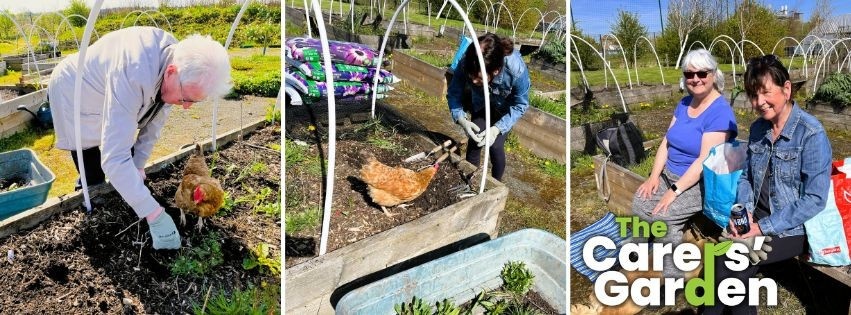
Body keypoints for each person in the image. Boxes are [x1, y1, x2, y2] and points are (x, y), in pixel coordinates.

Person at [48, 26, 232, 250]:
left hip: (107, 85)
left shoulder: (178, 62)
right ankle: (92, 200)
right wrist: (154, 214)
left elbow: (155, 122)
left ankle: (119, 188)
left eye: (194, 101)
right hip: (74, 88)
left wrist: (138, 164)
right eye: (186, 99)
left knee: (123, 160)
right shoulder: (133, 71)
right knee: (89, 151)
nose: (186, 107)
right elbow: (115, 157)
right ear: (171, 72)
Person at [704, 55, 832, 314]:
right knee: (720, 256)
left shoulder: (811, 134)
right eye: (753, 95)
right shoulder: (758, 129)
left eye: (765, 92)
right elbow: (746, 177)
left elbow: (815, 199)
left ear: (786, 89)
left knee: (735, 261)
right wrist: (744, 215)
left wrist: (761, 228)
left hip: (793, 227)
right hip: (756, 217)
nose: (759, 102)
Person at [630, 49, 738, 280]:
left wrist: (674, 191)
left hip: (700, 183)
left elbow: (704, 160)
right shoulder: (684, 103)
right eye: (689, 74)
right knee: (640, 202)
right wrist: (653, 177)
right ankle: (640, 255)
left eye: (702, 73)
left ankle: (672, 275)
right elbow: (667, 142)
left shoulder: (720, 112)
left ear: (713, 74)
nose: (695, 79)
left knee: (665, 217)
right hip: (670, 174)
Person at [446, 33, 530, 181]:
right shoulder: (468, 61)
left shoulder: (516, 70)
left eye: (478, 78)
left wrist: (497, 129)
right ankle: (470, 180)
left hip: (505, 110)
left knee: (495, 146)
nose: (473, 81)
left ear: (495, 71)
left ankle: (496, 184)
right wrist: (461, 118)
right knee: (475, 139)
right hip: (481, 103)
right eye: (471, 76)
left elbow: (520, 105)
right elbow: (454, 92)